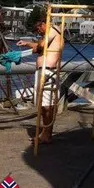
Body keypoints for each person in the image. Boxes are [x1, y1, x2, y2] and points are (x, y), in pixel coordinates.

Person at [18, 12, 63, 143]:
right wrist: (27, 44)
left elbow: (41, 45)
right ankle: (45, 132)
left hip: (48, 71)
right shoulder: (49, 35)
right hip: (44, 71)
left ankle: (46, 133)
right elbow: (40, 46)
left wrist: (34, 46)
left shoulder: (54, 30)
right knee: (43, 105)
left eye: (39, 28)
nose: (38, 31)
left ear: (44, 23)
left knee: (47, 105)